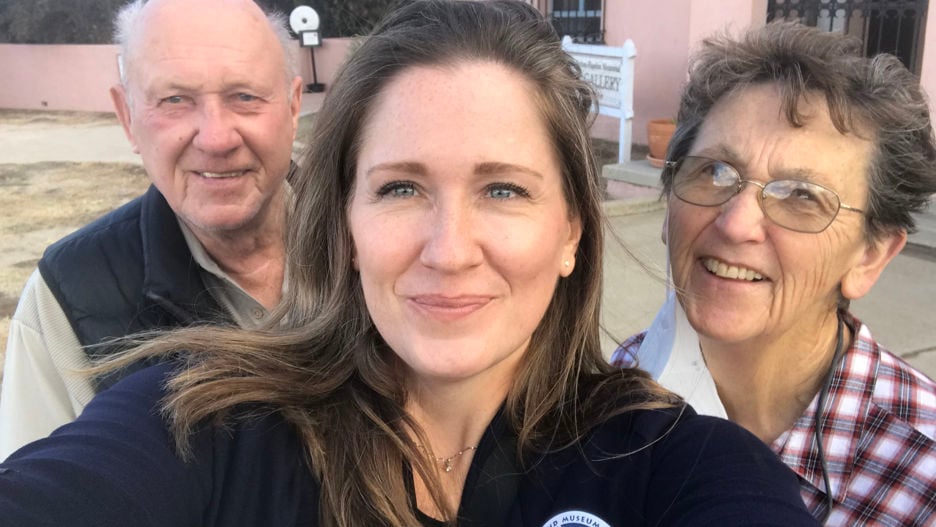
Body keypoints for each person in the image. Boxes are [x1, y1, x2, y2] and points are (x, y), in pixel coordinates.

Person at [0, 2, 818, 525]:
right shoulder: (205, 423)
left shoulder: (670, 467)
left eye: (503, 189)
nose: (449, 249)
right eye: (399, 188)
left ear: (572, 230)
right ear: (346, 224)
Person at [611, 22, 936, 526]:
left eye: (802, 196)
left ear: (870, 256)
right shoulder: (623, 383)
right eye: (715, 171)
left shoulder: (923, 479)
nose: (736, 223)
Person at [0, 0, 302, 459]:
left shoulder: (378, 238)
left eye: (245, 96)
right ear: (127, 117)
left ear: (293, 106)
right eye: (175, 100)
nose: (216, 138)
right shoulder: (65, 299)